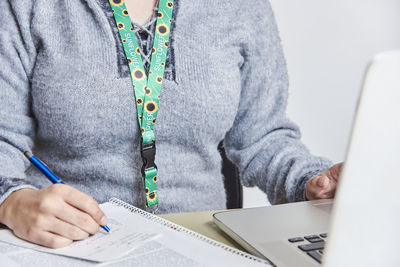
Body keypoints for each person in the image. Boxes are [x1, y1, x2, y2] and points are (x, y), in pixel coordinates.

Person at [0, 0, 342, 249]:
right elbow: (4, 137)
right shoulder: (27, 6)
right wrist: (11, 201)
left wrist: (312, 184)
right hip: (70, 244)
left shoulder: (242, 7)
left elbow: (263, 138)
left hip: (202, 247)